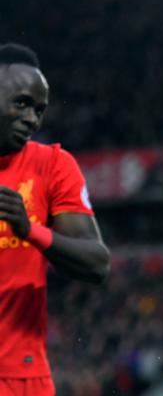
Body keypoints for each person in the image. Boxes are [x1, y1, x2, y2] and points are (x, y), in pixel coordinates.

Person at [0, 43, 110, 395]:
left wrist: (29, 230)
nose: (32, 118)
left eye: (39, 109)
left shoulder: (53, 166)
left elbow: (97, 262)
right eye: (21, 103)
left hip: (22, 378)